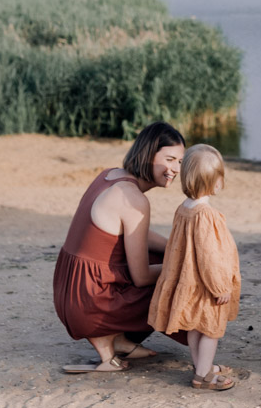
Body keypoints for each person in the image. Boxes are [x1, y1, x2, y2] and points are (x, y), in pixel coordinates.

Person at [53, 121, 186, 373]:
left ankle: (118, 339)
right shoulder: (134, 199)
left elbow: (135, 234)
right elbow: (141, 277)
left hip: (71, 291)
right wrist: (184, 265)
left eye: (179, 162)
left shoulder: (109, 175)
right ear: (148, 153)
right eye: (169, 159)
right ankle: (105, 334)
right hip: (89, 302)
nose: (175, 169)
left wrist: (175, 248)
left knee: (164, 253)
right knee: (180, 278)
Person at [149, 144, 241, 391]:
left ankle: (202, 365)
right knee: (211, 331)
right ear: (216, 182)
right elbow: (209, 255)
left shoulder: (184, 209)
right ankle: (203, 375)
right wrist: (219, 286)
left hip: (189, 282)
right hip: (205, 286)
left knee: (195, 328)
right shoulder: (206, 214)